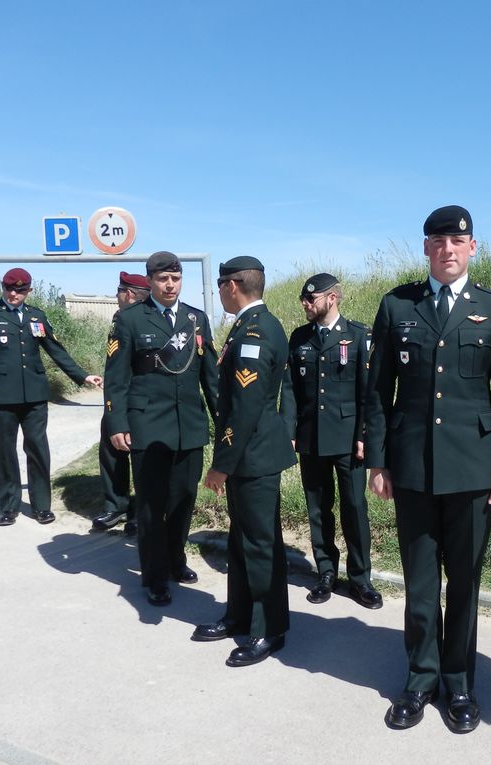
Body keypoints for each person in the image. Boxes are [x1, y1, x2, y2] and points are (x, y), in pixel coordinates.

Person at [366, 205, 491, 733]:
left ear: (472, 247)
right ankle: (419, 679)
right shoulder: (396, 306)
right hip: (410, 468)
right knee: (419, 582)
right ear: (427, 248)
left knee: (465, 584)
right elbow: (377, 393)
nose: (447, 250)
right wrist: (379, 460)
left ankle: (458, 682)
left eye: (457, 241)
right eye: (437, 241)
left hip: (475, 473)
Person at [195, 257, 297, 667]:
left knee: (259, 545)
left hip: (251, 456)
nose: (219, 291)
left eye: (221, 284)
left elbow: (245, 406)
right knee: (241, 541)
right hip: (246, 455)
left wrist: (222, 462)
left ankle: (268, 629)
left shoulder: (256, 330)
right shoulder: (245, 325)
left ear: (233, 285)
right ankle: (238, 615)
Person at [104, 251, 219, 607]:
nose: (170, 285)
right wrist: (117, 422)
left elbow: (210, 377)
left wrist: (224, 422)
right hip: (148, 425)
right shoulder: (130, 319)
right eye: (163, 279)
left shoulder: (195, 320)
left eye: (176, 278)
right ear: (150, 280)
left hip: (189, 426)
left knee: (184, 499)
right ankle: (154, 575)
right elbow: (117, 378)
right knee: (152, 506)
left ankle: (175, 559)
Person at [0, 267, 102, 526]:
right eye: (9, 288)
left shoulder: (36, 316)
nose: (13, 293)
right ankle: (8, 506)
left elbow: (56, 350)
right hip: (0, 397)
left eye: (20, 289)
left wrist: (82, 376)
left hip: (35, 397)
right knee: (5, 451)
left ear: (29, 290)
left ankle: (41, 506)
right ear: (2, 288)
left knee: (38, 449)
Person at [279, 273, 382, 609]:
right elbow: (290, 389)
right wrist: (290, 432)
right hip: (311, 438)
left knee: (354, 508)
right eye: (304, 300)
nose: (306, 305)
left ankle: (360, 578)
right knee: (317, 509)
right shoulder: (300, 338)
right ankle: (325, 571)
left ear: (333, 298)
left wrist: (364, 435)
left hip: (348, 439)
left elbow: (369, 392)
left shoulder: (358, 335)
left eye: (312, 299)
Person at [92, 271, 150, 534]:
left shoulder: (134, 319)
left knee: (142, 458)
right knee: (112, 449)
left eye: (118, 291)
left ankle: (135, 510)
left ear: (128, 294)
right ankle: (117, 506)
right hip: (120, 396)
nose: (117, 296)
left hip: (140, 400)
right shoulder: (124, 318)